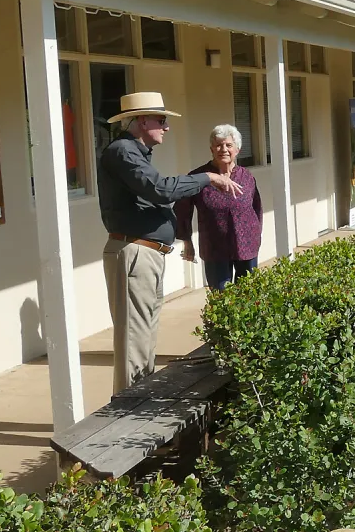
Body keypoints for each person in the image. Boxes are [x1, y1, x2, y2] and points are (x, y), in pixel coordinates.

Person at [98, 91, 242, 394]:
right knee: (134, 341)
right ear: (140, 120)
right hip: (134, 252)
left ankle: (139, 405)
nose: (166, 127)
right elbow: (160, 189)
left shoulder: (135, 152)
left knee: (145, 337)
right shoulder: (123, 151)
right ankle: (127, 416)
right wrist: (208, 178)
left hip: (146, 253)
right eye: (161, 120)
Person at [174, 125, 263, 290]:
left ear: (237, 149)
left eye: (228, 145)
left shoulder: (246, 177)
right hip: (215, 249)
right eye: (218, 145)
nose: (223, 149)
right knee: (222, 299)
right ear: (211, 149)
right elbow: (182, 210)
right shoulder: (199, 177)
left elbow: (256, 208)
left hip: (247, 247)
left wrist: (256, 238)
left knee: (250, 296)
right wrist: (187, 242)